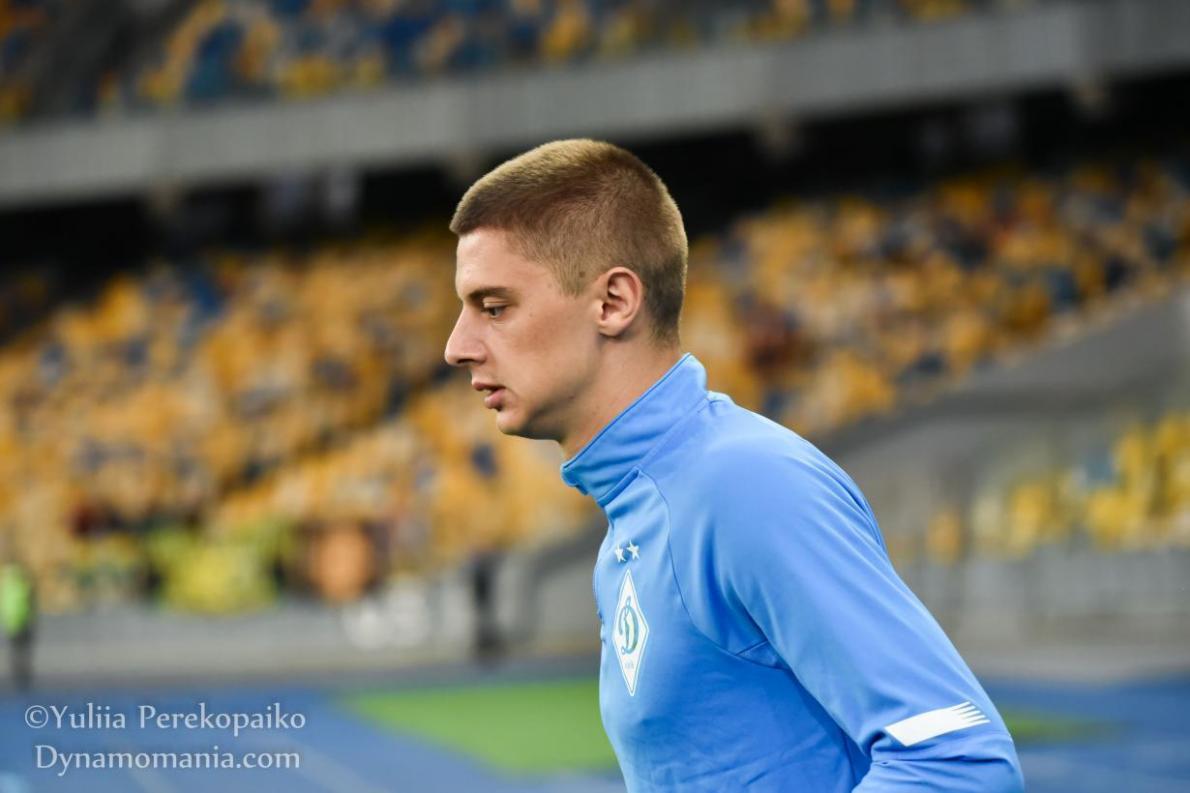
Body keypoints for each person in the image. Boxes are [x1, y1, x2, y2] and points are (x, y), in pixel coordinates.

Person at [443, 139, 1024, 792]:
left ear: (613, 303)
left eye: (494, 307)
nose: (456, 346)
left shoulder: (745, 485)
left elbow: (960, 762)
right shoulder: (644, 506)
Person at [0, 557, 36, 691]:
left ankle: (18, 674)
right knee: (22, 651)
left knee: (16, 651)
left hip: (12, 623)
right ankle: (22, 675)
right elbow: (30, 602)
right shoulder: (23, 584)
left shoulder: (6, 584)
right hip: (22, 621)